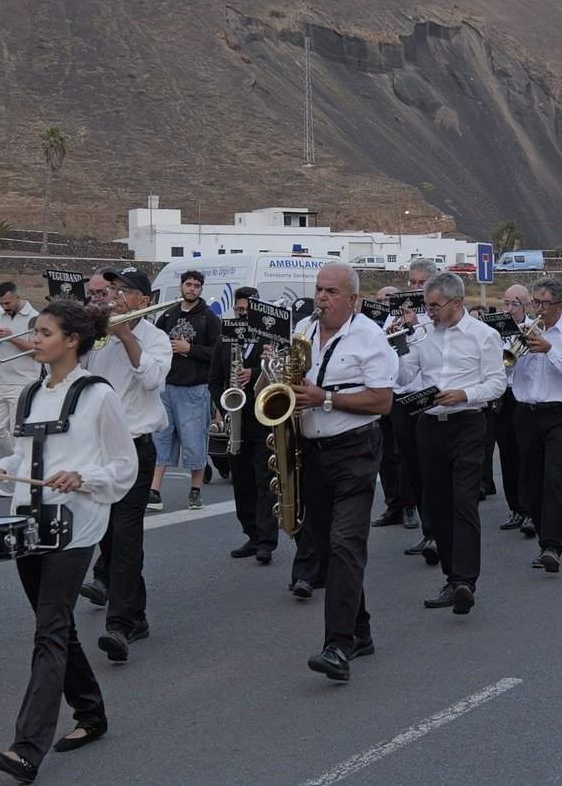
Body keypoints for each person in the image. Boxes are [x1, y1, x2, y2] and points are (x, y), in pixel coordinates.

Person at [0, 300, 136, 784]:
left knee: (48, 630)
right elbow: (25, 456)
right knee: (57, 626)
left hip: (77, 525)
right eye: (35, 331)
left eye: (44, 332)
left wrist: (81, 477)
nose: (35, 339)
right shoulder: (29, 394)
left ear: (72, 341)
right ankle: (92, 713)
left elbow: (124, 467)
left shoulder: (98, 395)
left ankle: (27, 748)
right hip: (27, 522)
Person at [291, 263, 398, 680]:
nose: (322, 298)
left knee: (344, 544)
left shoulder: (369, 337)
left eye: (331, 292)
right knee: (328, 545)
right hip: (312, 450)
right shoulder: (303, 329)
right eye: (319, 290)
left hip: (355, 449)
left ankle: (338, 646)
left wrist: (326, 399)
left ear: (353, 300)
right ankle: (361, 628)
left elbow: (382, 400)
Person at [80, 268, 169, 662]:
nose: (115, 296)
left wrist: (126, 335)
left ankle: (119, 625)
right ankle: (136, 614)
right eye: (113, 290)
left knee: (127, 535)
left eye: (125, 291)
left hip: (135, 448)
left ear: (144, 301)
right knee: (108, 537)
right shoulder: (98, 336)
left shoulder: (157, 338)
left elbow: (151, 380)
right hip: (96, 449)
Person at [404, 270, 507, 605]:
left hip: (468, 423)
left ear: (457, 302)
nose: (430, 312)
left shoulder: (484, 335)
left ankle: (465, 581)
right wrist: (398, 346)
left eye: (435, 306)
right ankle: (451, 577)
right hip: (430, 425)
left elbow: (496, 384)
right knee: (437, 504)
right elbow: (405, 377)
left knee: (464, 501)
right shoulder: (422, 334)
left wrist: (463, 394)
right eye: (427, 306)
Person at [510, 278, 562, 571]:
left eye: (545, 304)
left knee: (555, 478)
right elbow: (507, 374)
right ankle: (544, 538)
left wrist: (549, 350)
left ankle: (553, 547)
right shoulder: (520, 332)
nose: (540, 309)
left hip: (559, 414)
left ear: (559, 305)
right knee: (532, 480)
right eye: (536, 303)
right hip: (526, 413)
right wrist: (511, 356)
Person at [215, 287, 278, 563]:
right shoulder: (226, 338)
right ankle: (251, 534)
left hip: (262, 419)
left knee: (265, 481)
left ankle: (266, 541)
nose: (242, 315)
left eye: (247, 311)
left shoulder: (270, 339)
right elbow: (214, 378)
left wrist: (257, 372)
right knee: (241, 482)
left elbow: (279, 378)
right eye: (239, 311)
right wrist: (223, 407)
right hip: (236, 418)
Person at [154, 268, 220, 511]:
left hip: (194, 389)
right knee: (161, 438)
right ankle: (154, 490)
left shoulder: (209, 319)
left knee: (194, 443)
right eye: (188, 284)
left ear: (201, 289)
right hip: (167, 386)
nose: (191, 288)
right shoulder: (168, 315)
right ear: (181, 286)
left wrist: (188, 349)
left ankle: (195, 490)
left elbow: (217, 353)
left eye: (196, 285)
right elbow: (155, 343)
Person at [380, 260, 436, 537]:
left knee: (428, 462)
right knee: (403, 458)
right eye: (412, 282)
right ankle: (406, 507)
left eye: (420, 283)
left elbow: (434, 351)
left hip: (426, 397)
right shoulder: (395, 316)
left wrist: (414, 328)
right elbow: (384, 354)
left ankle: (432, 527)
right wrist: (393, 336)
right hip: (401, 394)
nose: (414, 288)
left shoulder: (436, 316)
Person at [0, 280, 40, 453]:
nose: (5, 307)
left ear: (18, 298)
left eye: (8, 303)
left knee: (18, 431)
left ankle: (20, 466)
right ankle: (19, 459)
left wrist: (11, 337)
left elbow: (37, 352)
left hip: (22, 381)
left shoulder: (35, 317)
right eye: (2, 303)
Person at [492, 283, 531, 530]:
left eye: (514, 304)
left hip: (523, 396)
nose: (508, 308)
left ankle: (528, 508)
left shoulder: (531, 329)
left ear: (525, 305)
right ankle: (515, 508)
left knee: (525, 453)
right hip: (502, 395)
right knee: (507, 454)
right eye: (505, 303)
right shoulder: (495, 330)